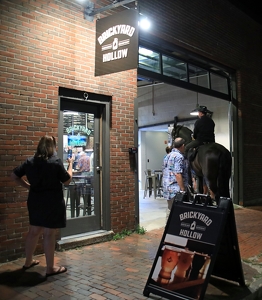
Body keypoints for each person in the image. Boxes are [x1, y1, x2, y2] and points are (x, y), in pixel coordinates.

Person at [10, 135, 73, 277]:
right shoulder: (55, 162)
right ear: (53, 146)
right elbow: (67, 181)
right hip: (52, 202)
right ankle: (50, 268)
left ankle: (28, 262)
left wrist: (28, 187)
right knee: (49, 234)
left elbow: (14, 176)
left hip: (35, 201)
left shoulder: (30, 161)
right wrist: (70, 165)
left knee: (33, 231)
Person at [166, 138, 188, 220]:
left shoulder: (167, 156)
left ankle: (167, 229)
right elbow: (178, 174)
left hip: (168, 189)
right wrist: (182, 189)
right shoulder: (179, 157)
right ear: (182, 146)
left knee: (170, 210)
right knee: (179, 213)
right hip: (176, 190)